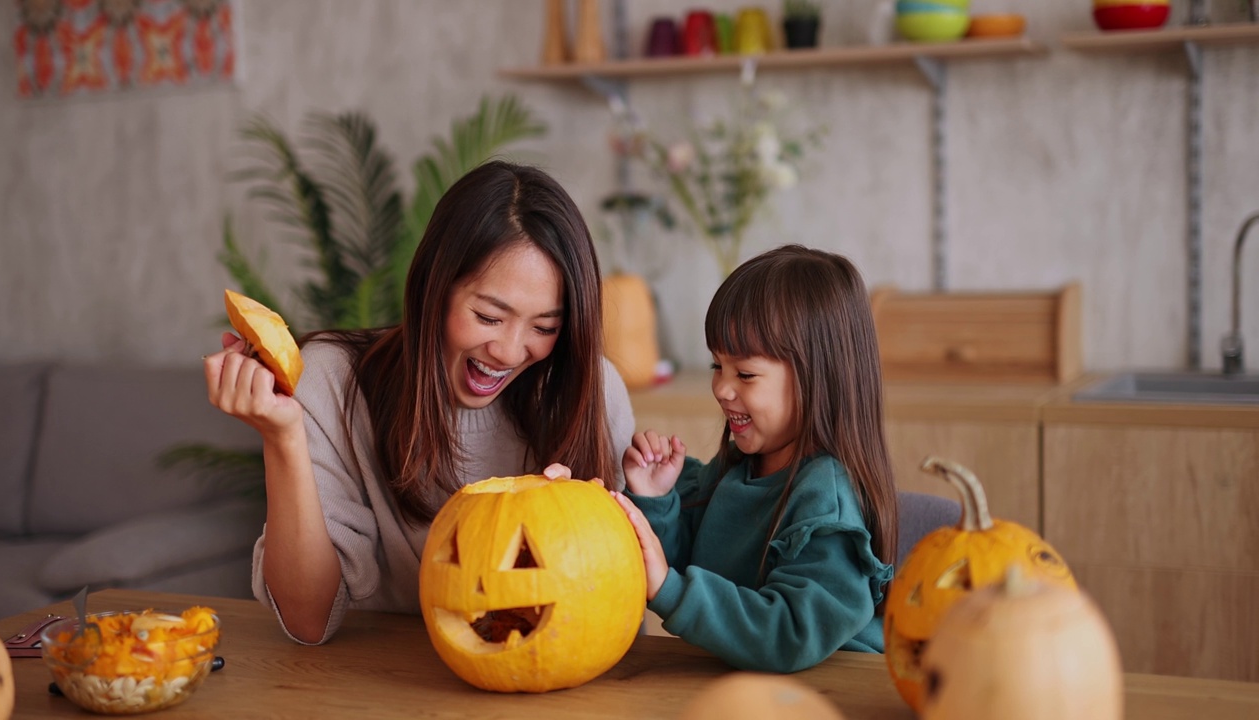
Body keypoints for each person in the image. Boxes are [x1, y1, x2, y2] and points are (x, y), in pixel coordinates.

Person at [204, 160, 635, 644]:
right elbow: (308, 620)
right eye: (489, 317)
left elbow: (615, 601)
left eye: (544, 327)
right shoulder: (332, 379)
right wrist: (281, 437)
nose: (511, 352)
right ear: (434, 286)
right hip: (377, 687)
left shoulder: (592, 387)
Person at [611, 244, 898, 673]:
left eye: (745, 374)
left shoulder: (826, 502)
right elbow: (686, 564)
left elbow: (788, 632)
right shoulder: (736, 470)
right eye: (716, 367)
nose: (722, 389)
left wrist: (669, 589)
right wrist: (658, 499)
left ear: (817, 378)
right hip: (741, 680)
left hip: (831, 690)